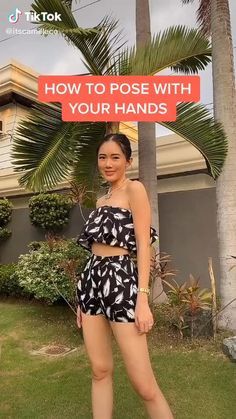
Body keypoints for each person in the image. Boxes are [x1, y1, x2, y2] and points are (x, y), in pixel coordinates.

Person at [76, 133, 174, 419]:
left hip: (121, 279)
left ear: (128, 161)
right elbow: (94, 250)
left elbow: (144, 244)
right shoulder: (100, 199)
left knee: (144, 385)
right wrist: (82, 297)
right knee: (100, 370)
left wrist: (142, 299)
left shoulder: (135, 190)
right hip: (92, 281)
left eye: (115, 157)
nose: (108, 163)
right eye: (103, 157)